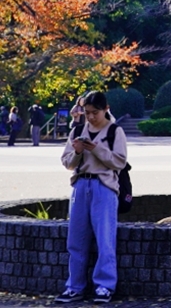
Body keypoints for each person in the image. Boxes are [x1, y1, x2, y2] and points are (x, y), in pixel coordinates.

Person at [56, 90, 127, 304]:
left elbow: (119, 162)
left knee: (105, 237)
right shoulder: (78, 129)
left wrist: (96, 149)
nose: (90, 117)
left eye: (95, 112)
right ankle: (74, 286)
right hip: (80, 185)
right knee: (76, 239)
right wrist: (78, 152)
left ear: (106, 109)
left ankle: (105, 286)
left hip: (104, 186)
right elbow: (67, 162)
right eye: (87, 112)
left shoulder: (115, 131)